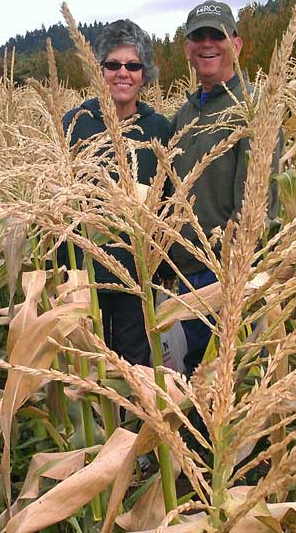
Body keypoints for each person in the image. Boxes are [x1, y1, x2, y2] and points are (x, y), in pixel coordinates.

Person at [170, 0, 282, 376]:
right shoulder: (185, 115)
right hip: (185, 273)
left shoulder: (251, 110)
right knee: (195, 376)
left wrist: (230, 279)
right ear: (187, 49)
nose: (206, 44)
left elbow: (256, 207)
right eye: (197, 37)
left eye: (216, 35)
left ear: (236, 44)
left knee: (228, 379)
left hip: (223, 277)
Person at [62, 19, 170, 366]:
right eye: (113, 65)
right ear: (100, 70)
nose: (123, 73)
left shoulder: (158, 128)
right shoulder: (75, 122)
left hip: (136, 274)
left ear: (144, 73)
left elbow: (167, 201)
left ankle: (136, 421)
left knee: (136, 363)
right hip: (84, 274)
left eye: (133, 65)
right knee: (88, 365)